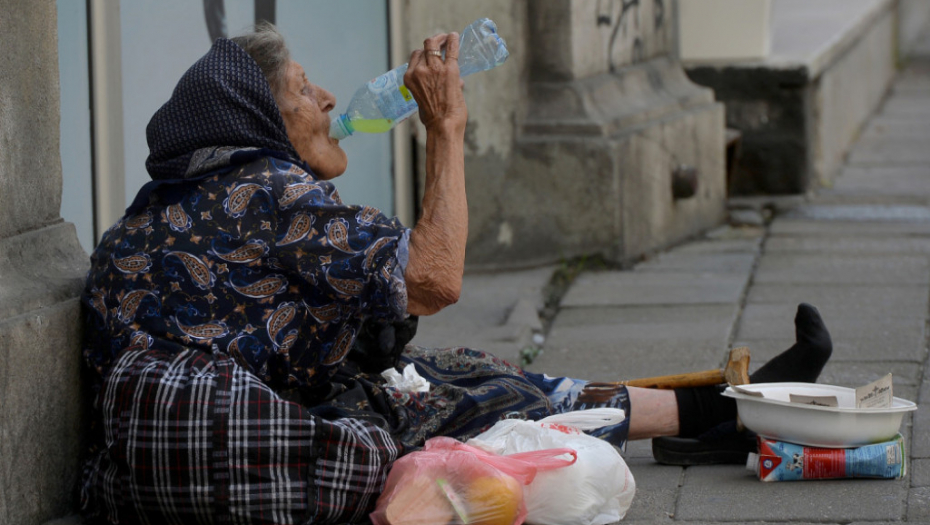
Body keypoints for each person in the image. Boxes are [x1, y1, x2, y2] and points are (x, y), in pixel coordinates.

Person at [78, 23, 833, 524]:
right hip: (248, 441)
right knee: (458, 392)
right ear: (259, 120)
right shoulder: (268, 192)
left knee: (451, 375)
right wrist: (445, 129)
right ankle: (728, 412)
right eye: (305, 90)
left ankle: (722, 411)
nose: (331, 99)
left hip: (159, 456)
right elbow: (435, 277)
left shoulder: (157, 205)